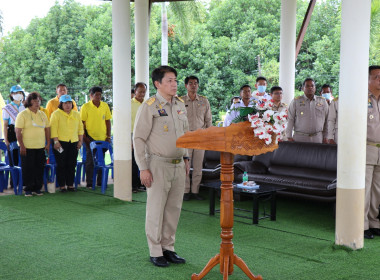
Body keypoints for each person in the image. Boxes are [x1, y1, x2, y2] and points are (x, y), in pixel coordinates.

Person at [133, 66, 190, 267]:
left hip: (178, 165)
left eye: (175, 80)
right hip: (157, 165)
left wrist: (186, 158)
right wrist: (143, 167)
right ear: (158, 84)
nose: (174, 84)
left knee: (173, 209)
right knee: (156, 209)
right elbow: (138, 138)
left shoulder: (180, 105)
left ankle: (169, 248)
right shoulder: (149, 107)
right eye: (169, 80)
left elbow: (186, 134)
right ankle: (155, 251)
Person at [182, 75, 212, 201]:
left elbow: (208, 120)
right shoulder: (180, 101)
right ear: (186, 86)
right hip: (186, 137)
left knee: (198, 166)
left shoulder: (204, 101)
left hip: (200, 138)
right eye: (190, 83)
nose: (193, 85)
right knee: (185, 166)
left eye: (195, 83)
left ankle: (195, 191)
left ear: (198, 85)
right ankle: (185, 192)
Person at [15, 92, 50, 197]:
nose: (37, 103)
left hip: (40, 146)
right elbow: (18, 131)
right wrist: (22, 145)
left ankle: (37, 188)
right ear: (29, 102)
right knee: (28, 168)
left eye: (38, 101)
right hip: (27, 147)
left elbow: (47, 129)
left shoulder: (42, 114)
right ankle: (28, 189)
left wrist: (48, 143)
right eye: (34, 101)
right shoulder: (23, 114)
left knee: (39, 167)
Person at [50, 95, 84, 192]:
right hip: (60, 143)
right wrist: (56, 142)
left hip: (74, 142)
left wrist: (80, 141)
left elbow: (80, 129)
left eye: (69, 103)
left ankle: (70, 184)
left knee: (72, 164)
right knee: (61, 164)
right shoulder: (56, 114)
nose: (68, 105)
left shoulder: (76, 114)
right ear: (61, 104)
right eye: (65, 103)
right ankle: (62, 185)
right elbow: (53, 129)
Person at [80, 86, 112, 189]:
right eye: (96, 95)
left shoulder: (105, 106)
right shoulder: (85, 106)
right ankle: (90, 183)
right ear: (91, 95)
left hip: (102, 138)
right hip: (90, 138)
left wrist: (108, 136)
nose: (98, 97)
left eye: (99, 95)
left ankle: (100, 182)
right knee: (90, 161)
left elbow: (108, 122)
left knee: (101, 160)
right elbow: (82, 123)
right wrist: (85, 138)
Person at [364, 65, 380, 239]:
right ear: (367, 79)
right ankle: (362, 225)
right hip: (366, 148)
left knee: (377, 190)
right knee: (365, 189)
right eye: (377, 77)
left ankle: (374, 221)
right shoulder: (362, 98)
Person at [286, 78, 329, 143]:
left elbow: (327, 120)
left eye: (312, 86)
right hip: (300, 138)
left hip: (317, 138)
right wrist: (289, 136)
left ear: (315, 88)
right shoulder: (296, 101)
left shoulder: (322, 101)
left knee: (317, 153)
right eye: (307, 86)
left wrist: (326, 136)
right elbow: (290, 119)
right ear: (303, 88)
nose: (310, 88)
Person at [3, 85, 26, 179]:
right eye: (16, 93)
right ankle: (14, 181)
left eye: (20, 93)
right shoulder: (7, 108)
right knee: (14, 159)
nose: (18, 95)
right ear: (11, 94)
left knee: (24, 158)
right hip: (12, 134)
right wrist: (6, 139)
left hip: (24, 133)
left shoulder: (25, 106)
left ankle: (24, 180)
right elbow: (5, 125)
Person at [131, 82, 147, 193]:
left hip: (146, 135)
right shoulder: (129, 104)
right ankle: (134, 185)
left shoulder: (148, 104)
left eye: (144, 92)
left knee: (145, 160)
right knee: (134, 161)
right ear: (135, 91)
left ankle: (143, 184)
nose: (142, 94)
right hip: (132, 135)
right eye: (140, 91)